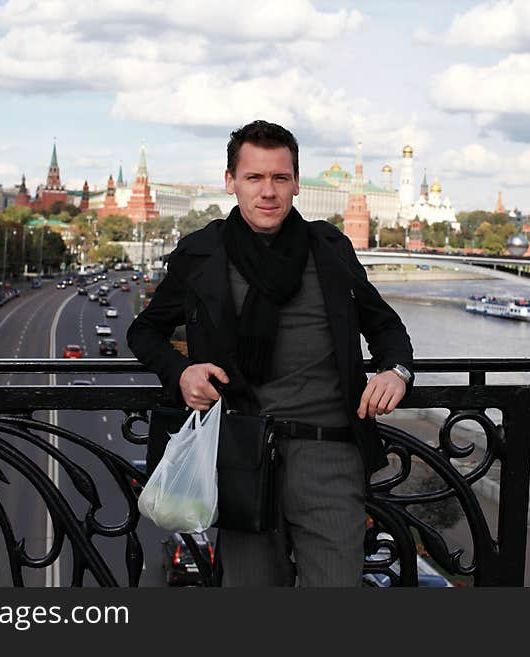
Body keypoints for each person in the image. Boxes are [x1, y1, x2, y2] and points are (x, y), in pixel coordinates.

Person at [127, 120, 414, 587]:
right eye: (254, 177)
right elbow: (145, 333)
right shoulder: (203, 255)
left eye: (280, 178)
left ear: (297, 184)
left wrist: (396, 372)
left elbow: (384, 327)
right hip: (244, 455)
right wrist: (180, 374)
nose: (268, 192)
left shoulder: (329, 250)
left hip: (330, 455)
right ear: (230, 181)